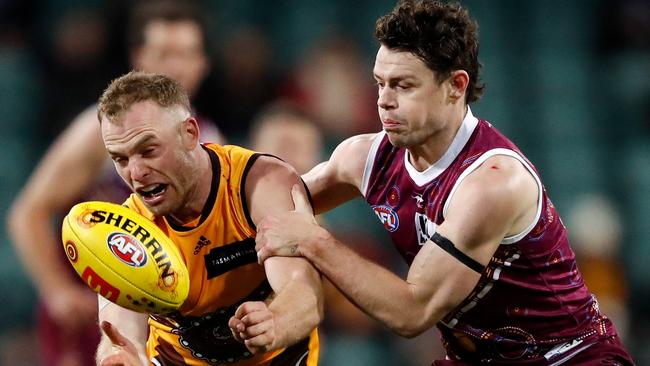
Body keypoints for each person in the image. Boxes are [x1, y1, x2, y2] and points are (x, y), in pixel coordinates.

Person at [253, 1, 635, 364]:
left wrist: (312, 239)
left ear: (456, 85)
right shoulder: (363, 156)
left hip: (570, 358)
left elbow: (411, 311)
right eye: (379, 83)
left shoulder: (493, 183)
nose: (383, 101)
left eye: (403, 86)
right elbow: (272, 201)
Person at [6, 1, 223, 365]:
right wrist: (57, 290)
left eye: (186, 54)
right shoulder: (100, 131)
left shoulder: (210, 139)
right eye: (164, 53)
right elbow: (27, 214)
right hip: (91, 322)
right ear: (139, 58)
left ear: (203, 64)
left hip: (161, 323)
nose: (176, 66)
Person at [95, 71, 323, 365]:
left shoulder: (259, 184)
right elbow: (120, 330)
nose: (136, 173)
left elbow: (303, 292)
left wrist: (275, 321)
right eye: (121, 159)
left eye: (148, 151)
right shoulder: (124, 230)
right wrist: (122, 355)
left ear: (190, 133)